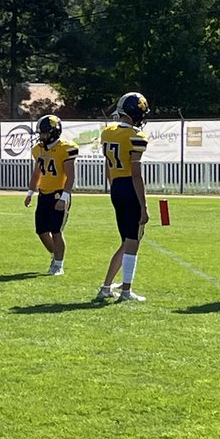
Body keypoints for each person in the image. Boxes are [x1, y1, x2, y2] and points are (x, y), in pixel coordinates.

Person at [96, 92, 150, 303]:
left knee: (126, 241)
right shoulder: (136, 136)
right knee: (133, 241)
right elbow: (136, 174)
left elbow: (108, 166)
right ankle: (126, 291)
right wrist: (144, 206)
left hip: (116, 186)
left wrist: (113, 189)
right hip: (129, 186)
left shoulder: (108, 133)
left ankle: (106, 286)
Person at [25, 114, 78, 276]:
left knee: (56, 231)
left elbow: (71, 176)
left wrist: (64, 198)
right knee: (41, 231)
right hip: (43, 194)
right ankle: (55, 257)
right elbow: (36, 173)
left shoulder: (65, 148)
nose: (41, 137)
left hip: (59, 194)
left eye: (44, 133)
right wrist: (30, 192)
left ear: (54, 132)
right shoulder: (38, 149)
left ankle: (58, 265)